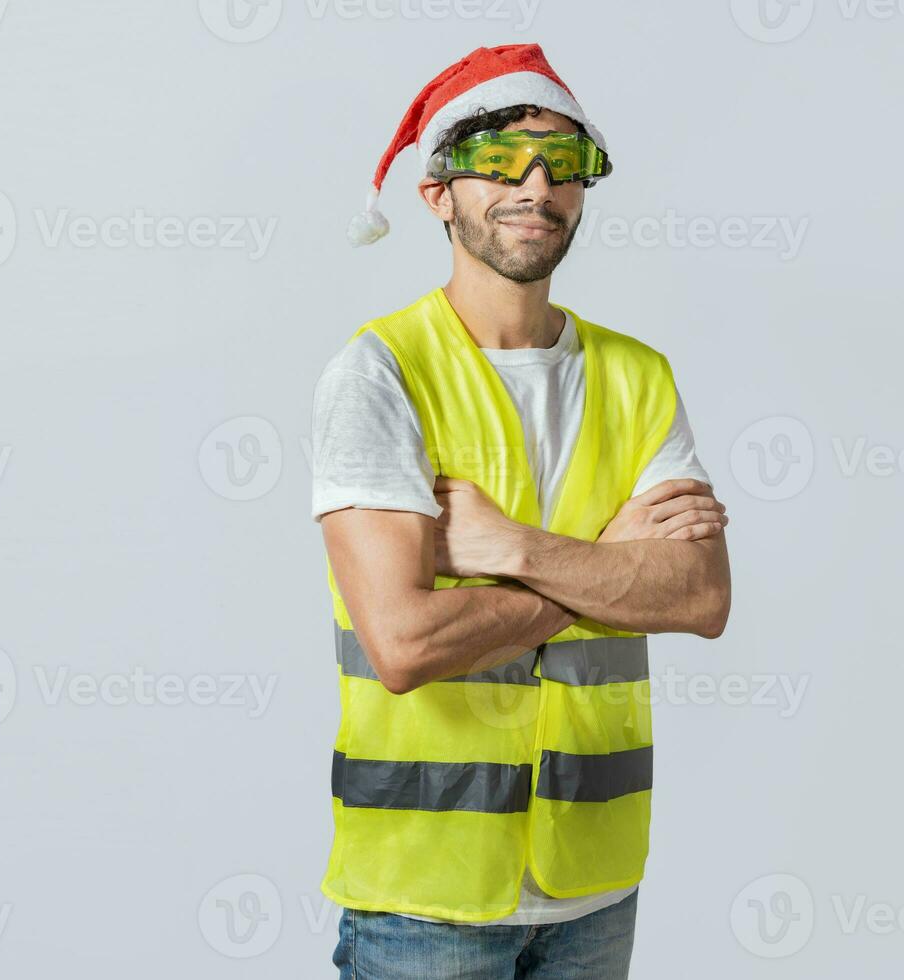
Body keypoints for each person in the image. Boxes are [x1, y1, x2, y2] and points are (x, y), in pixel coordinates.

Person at [312, 42, 733, 980]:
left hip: (596, 884)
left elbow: (701, 598)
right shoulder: (380, 375)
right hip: (424, 895)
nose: (535, 186)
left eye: (564, 164)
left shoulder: (639, 375)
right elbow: (405, 645)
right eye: (500, 161)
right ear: (439, 194)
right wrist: (606, 569)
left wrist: (511, 548)